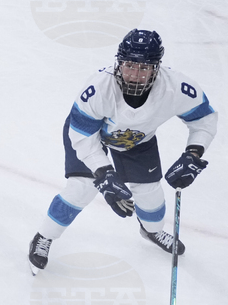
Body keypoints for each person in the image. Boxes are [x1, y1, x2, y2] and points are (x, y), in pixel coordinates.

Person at [28, 29, 217, 274]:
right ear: (119, 62)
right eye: (129, 66)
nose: (134, 75)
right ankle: (45, 237)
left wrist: (193, 153)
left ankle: (151, 230)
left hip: (137, 140)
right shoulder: (98, 89)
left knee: (150, 192)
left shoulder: (177, 88)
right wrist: (104, 173)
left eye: (143, 68)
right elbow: (82, 136)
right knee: (81, 188)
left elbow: (204, 120)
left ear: (156, 68)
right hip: (89, 137)